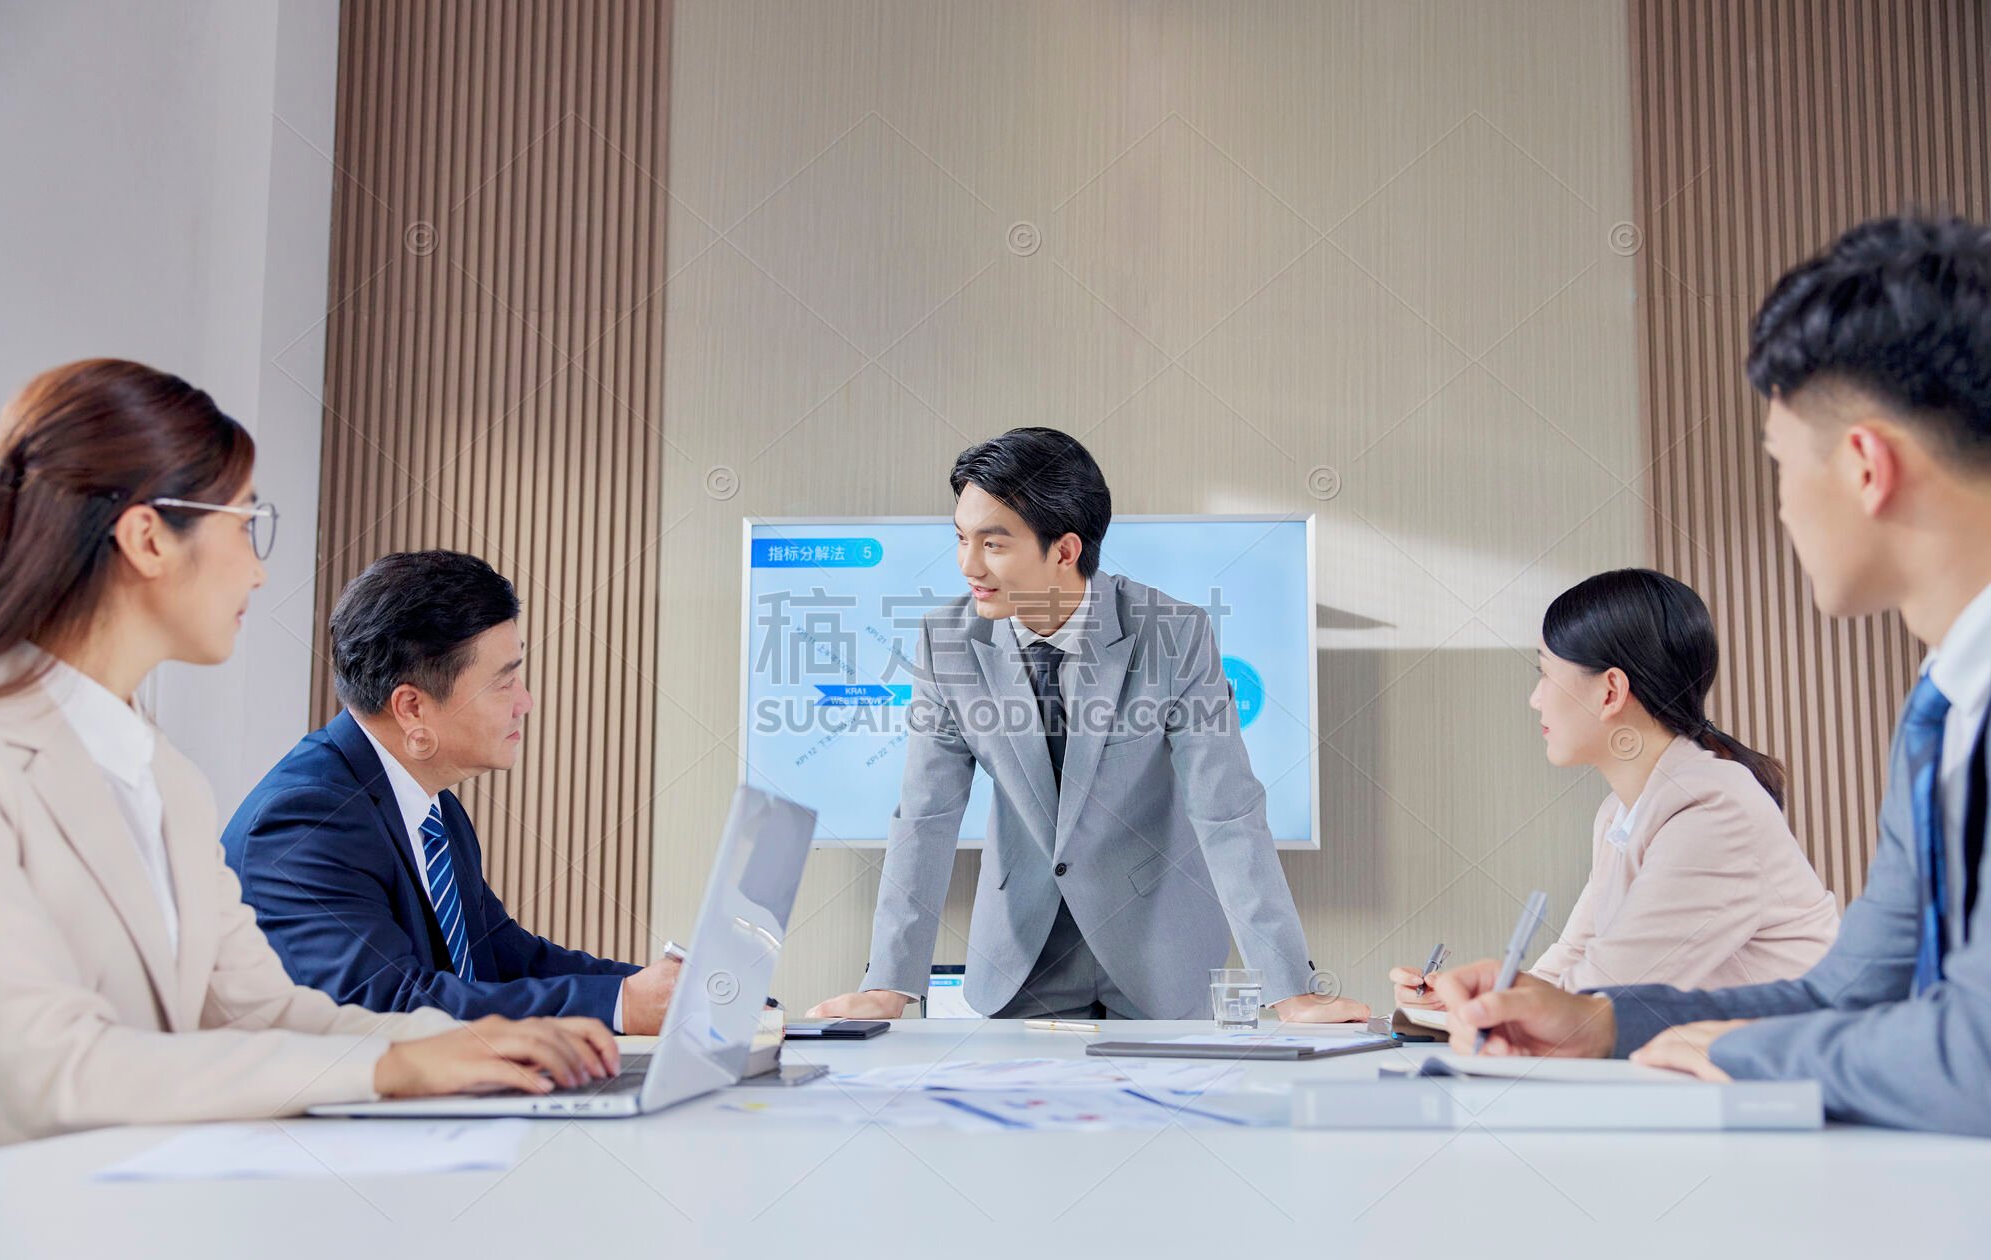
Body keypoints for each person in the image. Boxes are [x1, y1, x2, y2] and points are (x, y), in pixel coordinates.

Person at [1432, 213, 1991, 1136]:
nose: (1778, 503)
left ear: (1865, 467)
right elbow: (1849, 993)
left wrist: (1737, 1053)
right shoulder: (1941, 710)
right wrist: (1597, 1022)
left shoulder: (1716, 795)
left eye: (1778, 465)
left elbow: (1972, 1053)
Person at [0, 359, 616, 1145]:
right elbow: (53, 1068)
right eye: (246, 523)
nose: (257, 568)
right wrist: (393, 1066)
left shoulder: (164, 777)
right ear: (149, 537)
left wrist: (449, 1045)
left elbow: (263, 1009)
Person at [808, 427, 1364, 1023]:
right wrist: (890, 984)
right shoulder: (948, 643)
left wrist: (1289, 988)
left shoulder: (1173, 633)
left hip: (1160, 951)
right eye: (961, 539)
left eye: (993, 544)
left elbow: (1226, 810)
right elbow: (926, 816)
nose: (969, 565)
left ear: (1065, 551)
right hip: (1021, 959)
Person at [223, 551, 680, 1033]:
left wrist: (666, 992)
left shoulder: (433, 808)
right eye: (504, 682)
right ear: (412, 708)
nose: (525, 702)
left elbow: (508, 958)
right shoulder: (306, 819)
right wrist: (621, 1005)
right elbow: (383, 1006)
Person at [1390, 569, 1838, 1008]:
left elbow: (1604, 997)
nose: (1535, 698)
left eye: (1545, 674)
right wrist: (1459, 999)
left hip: (1786, 1074)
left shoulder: (1712, 810)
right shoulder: (1620, 814)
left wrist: (1492, 1006)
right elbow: (1568, 967)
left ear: (1610, 692)